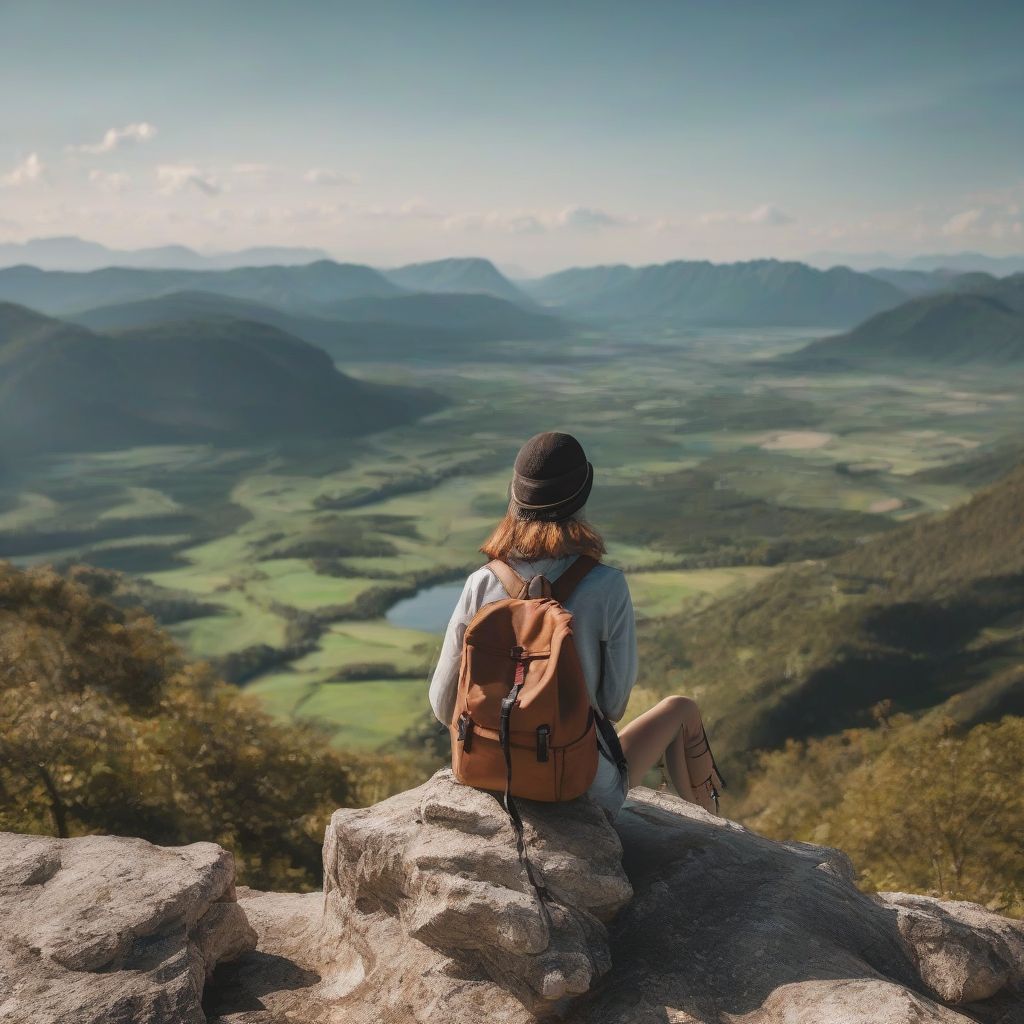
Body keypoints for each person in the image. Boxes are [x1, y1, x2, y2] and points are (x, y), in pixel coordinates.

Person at [428, 430, 726, 821]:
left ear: (514, 497)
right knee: (682, 709)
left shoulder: (481, 582)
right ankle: (710, 828)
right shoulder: (606, 585)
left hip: (484, 773)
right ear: (582, 496)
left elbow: (442, 704)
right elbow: (613, 705)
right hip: (578, 786)